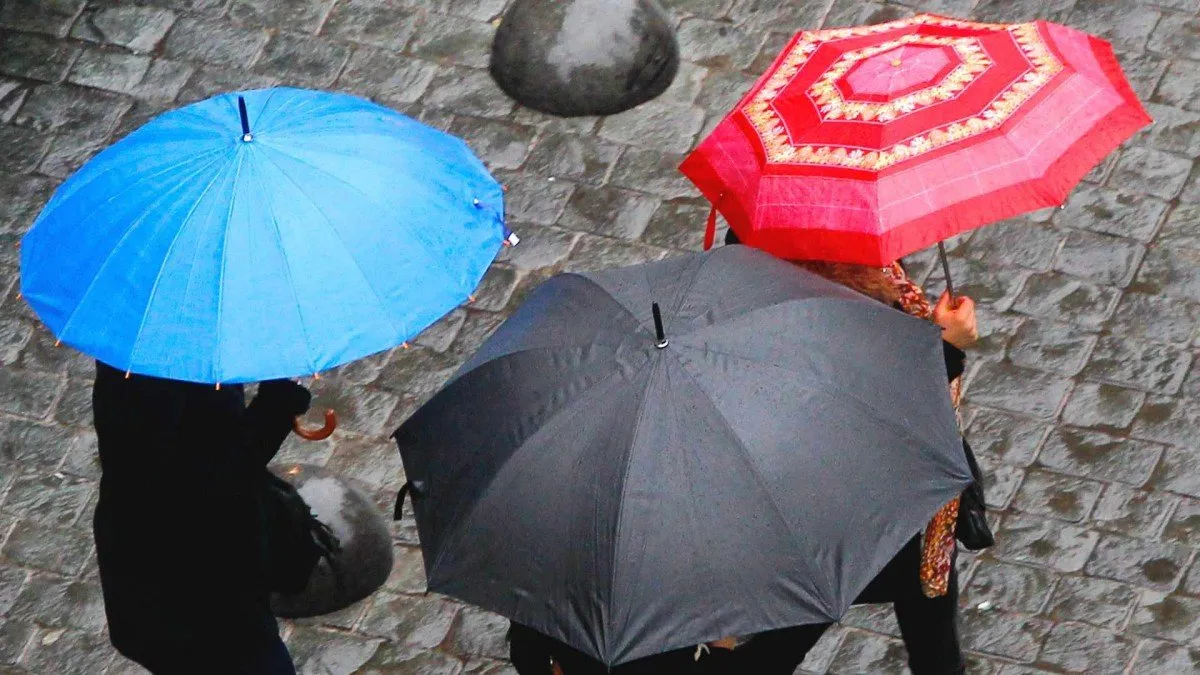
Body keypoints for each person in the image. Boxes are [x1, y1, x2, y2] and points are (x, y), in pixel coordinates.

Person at [720, 229, 980, 675]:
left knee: (923, 625)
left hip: (837, 512)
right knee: (916, 616)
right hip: (869, 507)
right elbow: (884, 406)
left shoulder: (748, 264)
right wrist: (948, 348)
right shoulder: (844, 299)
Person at [91, 361, 312, 675]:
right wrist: (278, 400)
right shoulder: (168, 379)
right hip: (203, 589)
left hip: (145, 574)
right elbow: (210, 476)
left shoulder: (133, 357)